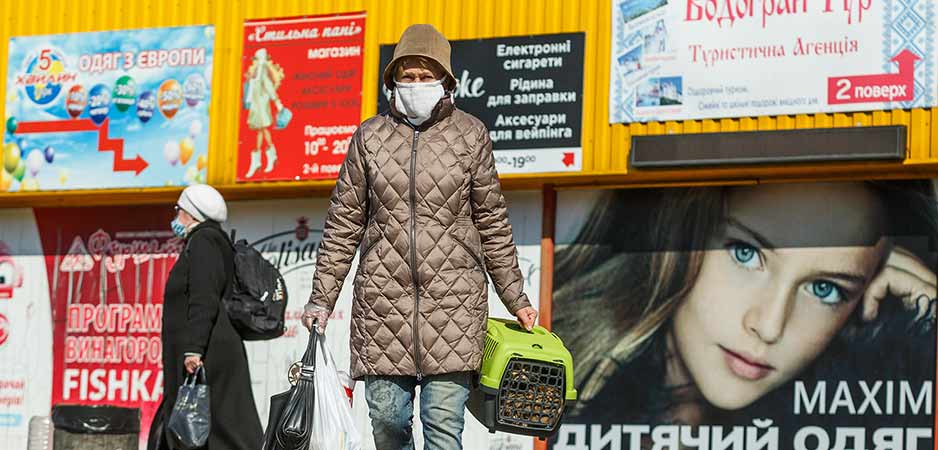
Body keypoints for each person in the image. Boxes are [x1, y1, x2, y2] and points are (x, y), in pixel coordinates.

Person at [301, 24, 538, 449]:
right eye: (406, 77)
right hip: (381, 306)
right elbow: (342, 224)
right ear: (391, 81)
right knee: (388, 424)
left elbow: (492, 223)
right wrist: (321, 300)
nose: (415, 85)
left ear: (446, 82)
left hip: (454, 303)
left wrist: (515, 297)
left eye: (425, 76)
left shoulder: (470, 135)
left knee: (442, 425)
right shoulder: (369, 138)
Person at [553, 181, 937, 439]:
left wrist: (919, 348)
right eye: (745, 253)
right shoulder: (548, 364)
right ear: (682, 231)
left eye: (825, 289)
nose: (769, 326)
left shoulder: (839, 423)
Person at [148, 184, 263, 450]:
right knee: (195, 429)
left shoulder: (204, 241)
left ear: (190, 212)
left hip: (209, 353)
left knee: (222, 432)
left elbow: (204, 297)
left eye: (178, 210)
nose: (176, 216)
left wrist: (193, 349)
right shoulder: (206, 241)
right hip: (207, 349)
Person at [244, 48, 285, 178]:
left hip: (261, 105)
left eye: (256, 59)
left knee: (262, 129)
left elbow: (268, 86)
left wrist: (277, 102)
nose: (255, 61)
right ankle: (264, 158)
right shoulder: (255, 72)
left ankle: (260, 159)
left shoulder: (262, 72)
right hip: (256, 106)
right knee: (260, 131)